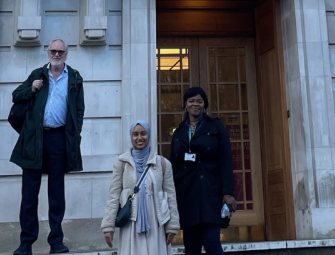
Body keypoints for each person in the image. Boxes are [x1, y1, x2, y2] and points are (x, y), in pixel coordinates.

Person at [10, 39, 85, 255]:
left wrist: (75, 133)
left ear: (66, 53)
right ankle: (26, 243)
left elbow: (79, 109)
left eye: (60, 51)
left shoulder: (75, 77)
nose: (57, 54)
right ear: (48, 52)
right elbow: (16, 95)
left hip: (59, 138)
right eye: (53, 50)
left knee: (56, 193)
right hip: (35, 139)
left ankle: (56, 241)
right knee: (29, 194)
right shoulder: (37, 74)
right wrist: (32, 89)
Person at [169, 87, 235, 255]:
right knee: (191, 246)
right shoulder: (179, 132)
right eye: (191, 101)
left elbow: (226, 160)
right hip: (187, 193)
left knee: (212, 242)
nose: (195, 104)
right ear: (185, 105)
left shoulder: (216, 127)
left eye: (199, 101)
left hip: (210, 192)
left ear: (204, 105)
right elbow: (173, 165)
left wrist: (228, 192)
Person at [100, 121, 180, 255]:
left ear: (149, 135)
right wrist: (108, 226)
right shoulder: (122, 164)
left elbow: (171, 195)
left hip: (156, 222)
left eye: (143, 134)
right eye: (135, 134)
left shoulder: (162, 163)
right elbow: (113, 195)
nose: (139, 138)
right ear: (131, 137)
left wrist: (172, 226)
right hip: (131, 223)